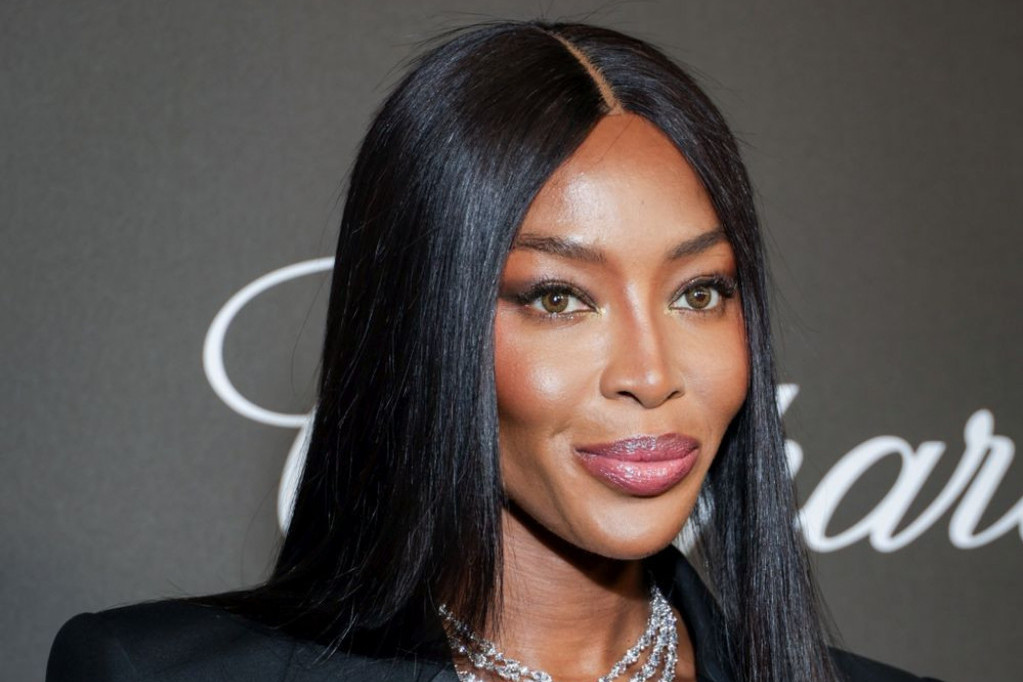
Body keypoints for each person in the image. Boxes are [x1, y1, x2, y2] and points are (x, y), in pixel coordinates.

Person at [47, 20, 942, 682]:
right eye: (559, 298)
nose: (650, 373)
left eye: (698, 292)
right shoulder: (150, 672)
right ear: (423, 326)